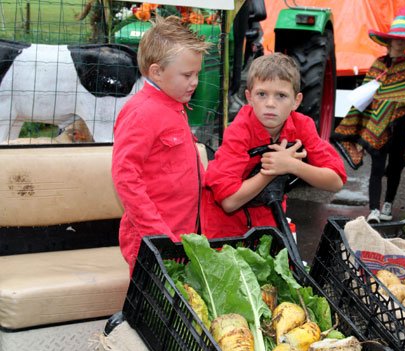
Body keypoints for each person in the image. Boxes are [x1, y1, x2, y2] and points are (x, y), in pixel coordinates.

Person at [201, 53, 346, 239]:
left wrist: (293, 166)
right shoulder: (239, 132)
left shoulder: (302, 125)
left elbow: (336, 181)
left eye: (281, 96)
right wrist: (271, 171)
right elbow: (229, 202)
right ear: (249, 97)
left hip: (270, 225)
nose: (270, 104)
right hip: (226, 231)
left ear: (296, 101)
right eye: (262, 94)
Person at [111, 15, 212, 274]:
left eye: (197, 74)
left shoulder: (174, 105)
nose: (195, 82)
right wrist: (158, 236)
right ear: (156, 71)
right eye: (187, 75)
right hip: (154, 242)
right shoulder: (142, 112)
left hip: (182, 236)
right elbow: (125, 177)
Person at [333, 7, 405, 224]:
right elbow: (365, 99)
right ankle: (373, 209)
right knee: (377, 168)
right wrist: (361, 126)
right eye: (396, 38)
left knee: (396, 166)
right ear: (389, 40)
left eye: (404, 39)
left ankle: (388, 203)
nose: (400, 42)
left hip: (403, 127)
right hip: (377, 128)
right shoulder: (378, 65)